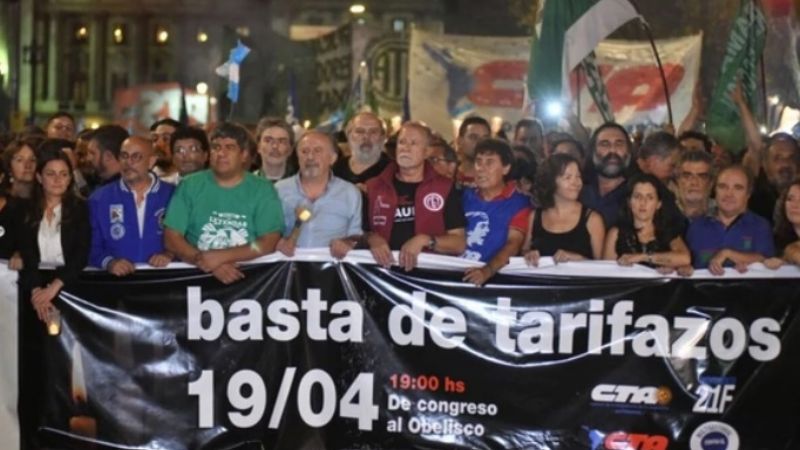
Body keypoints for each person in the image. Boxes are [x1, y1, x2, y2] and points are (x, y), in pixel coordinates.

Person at [17, 148, 90, 450]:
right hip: (33, 291)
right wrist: (37, 290)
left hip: (68, 290)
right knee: (33, 363)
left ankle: (61, 431)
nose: (58, 180)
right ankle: (31, 435)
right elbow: (25, 253)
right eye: (50, 174)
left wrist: (54, 288)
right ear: (39, 177)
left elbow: (81, 254)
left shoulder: (80, 209)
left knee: (63, 363)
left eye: (63, 174)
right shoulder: (25, 210)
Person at [164, 122, 284, 284]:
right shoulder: (189, 186)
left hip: (251, 283)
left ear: (244, 154)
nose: (221, 153)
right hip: (197, 280)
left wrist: (219, 258)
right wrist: (204, 260)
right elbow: (172, 238)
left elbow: (268, 242)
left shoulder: (263, 189)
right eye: (216, 147)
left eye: (230, 147)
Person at [364, 121, 466, 270]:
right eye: (402, 142)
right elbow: (358, 233)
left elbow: (459, 243)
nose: (405, 148)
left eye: (413, 143)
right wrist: (371, 238)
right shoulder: (374, 187)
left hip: (427, 276)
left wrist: (426, 240)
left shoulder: (444, 187)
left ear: (427, 152)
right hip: (381, 275)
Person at [89, 136, 176, 275]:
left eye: (136, 157)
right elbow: (89, 245)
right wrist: (109, 262)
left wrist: (169, 254)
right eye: (124, 156)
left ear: (151, 161)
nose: (128, 162)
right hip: (117, 282)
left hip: (164, 280)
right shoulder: (100, 198)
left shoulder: (173, 195)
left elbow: (188, 239)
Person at [275, 131, 362, 256]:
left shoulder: (350, 193)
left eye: (317, 151)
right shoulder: (279, 190)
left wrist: (348, 243)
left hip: (332, 266)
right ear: (297, 157)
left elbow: (357, 236)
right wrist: (277, 242)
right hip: (288, 265)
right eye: (304, 151)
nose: (310, 157)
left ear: (332, 158)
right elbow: (266, 233)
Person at [461, 139, 531, 285]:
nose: (481, 168)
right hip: (455, 275)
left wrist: (487, 270)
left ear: (506, 168)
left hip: (495, 281)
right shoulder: (463, 196)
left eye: (489, 162)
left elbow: (513, 244)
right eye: (478, 162)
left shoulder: (519, 203)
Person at [686, 166, 775, 275]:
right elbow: (686, 263)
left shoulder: (760, 226)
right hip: (701, 286)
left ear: (748, 194)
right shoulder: (696, 227)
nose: (729, 194)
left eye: (738, 188)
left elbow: (767, 260)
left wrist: (728, 253)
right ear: (715, 190)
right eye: (723, 187)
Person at [524, 153, 605, 265]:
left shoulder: (593, 219)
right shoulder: (535, 216)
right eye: (568, 177)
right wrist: (529, 255)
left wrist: (579, 259)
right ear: (551, 181)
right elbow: (524, 250)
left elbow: (603, 266)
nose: (576, 183)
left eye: (578, 176)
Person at [602, 174, 691, 272]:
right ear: (629, 202)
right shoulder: (616, 233)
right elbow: (606, 272)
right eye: (637, 196)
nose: (643, 203)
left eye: (650, 197)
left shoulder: (668, 230)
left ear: (658, 204)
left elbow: (684, 258)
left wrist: (643, 257)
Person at [579, 122, 632, 228]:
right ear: (593, 151)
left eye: (619, 144)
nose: (612, 150)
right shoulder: (578, 188)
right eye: (605, 144)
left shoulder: (638, 191)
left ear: (628, 151)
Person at [334, 111, 390, 189]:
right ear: (348, 135)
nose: (366, 137)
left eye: (373, 132)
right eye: (360, 131)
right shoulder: (335, 170)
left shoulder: (393, 170)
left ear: (383, 137)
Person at [766, 180, 800, 267]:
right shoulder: (778, 240)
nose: (794, 205)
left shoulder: (791, 249)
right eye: (790, 199)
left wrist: (792, 253)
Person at [674, 149, 715, 220]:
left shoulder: (723, 212)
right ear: (678, 180)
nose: (694, 182)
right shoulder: (665, 212)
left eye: (702, 177)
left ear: (711, 183)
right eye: (687, 176)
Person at [253, 117, 296, 182]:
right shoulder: (245, 183)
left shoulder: (301, 184)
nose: (275, 146)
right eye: (268, 140)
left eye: (281, 141)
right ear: (258, 147)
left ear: (290, 149)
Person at [454, 116, 491, 186]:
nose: (480, 142)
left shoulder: (495, 182)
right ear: (459, 141)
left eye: (485, 139)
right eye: (474, 137)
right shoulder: (449, 177)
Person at [150, 118, 182, 184]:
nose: (158, 144)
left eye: (166, 139)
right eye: (155, 139)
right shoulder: (146, 176)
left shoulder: (186, 181)